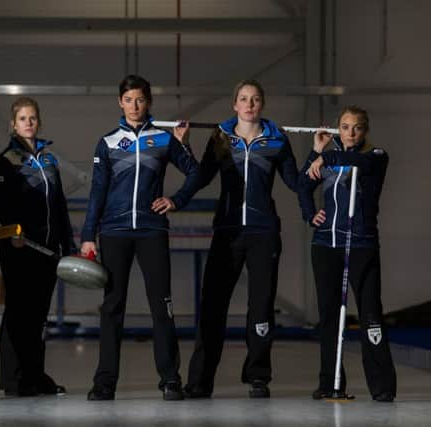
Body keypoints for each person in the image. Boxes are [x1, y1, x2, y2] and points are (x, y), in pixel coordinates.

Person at [81, 74, 200, 401]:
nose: (135, 106)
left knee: (162, 306)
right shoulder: (107, 143)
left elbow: (195, 172)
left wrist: (176, 199)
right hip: (114, 232)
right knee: (112, 307)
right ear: (120, 102)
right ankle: (104, 382)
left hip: (151, 230)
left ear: (148, 103)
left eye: (141, 100)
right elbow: (97, 192)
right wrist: (88, 235)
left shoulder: (163, 140)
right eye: (129, 99)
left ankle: (170, 380)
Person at [178, 79, 299, 399]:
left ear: (262, 104)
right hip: (228, 233)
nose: (249, 104)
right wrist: (183, 153)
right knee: (212, 307)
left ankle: (258, 377)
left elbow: (296, 183)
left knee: (261, 307)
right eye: (243, 99)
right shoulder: (221, 137)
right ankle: (200, 380)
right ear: (235, 104)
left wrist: (317, 156)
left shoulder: (276, 140)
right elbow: (200, 178)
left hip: (263, 233)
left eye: (255, 99)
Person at [297, 106, 397, 402]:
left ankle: (382, 387)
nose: (350, 132)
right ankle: (330, 382)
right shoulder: (329, 155)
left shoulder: (376, 156)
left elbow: (356, 162)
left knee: (371, 315)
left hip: (361, 244)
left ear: (365, 130)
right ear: (337, 128)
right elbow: (303, 184)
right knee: (329, 317)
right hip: (326, 245)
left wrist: (324, 156)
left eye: (356, 127)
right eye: (345, 127)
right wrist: (309, 213)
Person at [0, 97, 75, 396]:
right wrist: (17, 233)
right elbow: (2, 205)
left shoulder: (49, 160)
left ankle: (35, 375)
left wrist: (69, 244)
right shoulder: (4, 162)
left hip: (49, 250)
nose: (28, 122)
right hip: (19, 247)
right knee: (18, 312)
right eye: (22, 118)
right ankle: (14, 379)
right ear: (13, 124)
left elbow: (59, 205)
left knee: (38, 317)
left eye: (32, 118)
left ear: (38, 122)